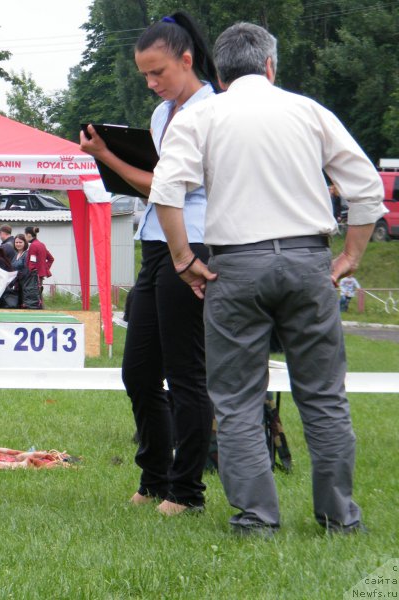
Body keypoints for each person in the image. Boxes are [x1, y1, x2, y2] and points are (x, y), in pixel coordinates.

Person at [149, 22, 384, 535]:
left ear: (219, 73)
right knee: (323, 396)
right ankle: (340, 519)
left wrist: (184, 259)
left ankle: (256, 518)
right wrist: (350, 255)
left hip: (235, 266)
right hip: (308, 261)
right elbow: (367, 187)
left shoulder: (201, 115)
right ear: (270, 66)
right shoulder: (309, 111)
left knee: (236, 400)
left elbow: (166, 191)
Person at [79, 11, 218, 516]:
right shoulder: (162, 116)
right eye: (144, 75)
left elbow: (166, 185)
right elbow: (157, 186)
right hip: (156, 245)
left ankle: (188, 491)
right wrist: (112, 157)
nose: (151, 82)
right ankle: (155, 478)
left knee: (186, 374)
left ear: (187, 59)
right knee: (138, 373)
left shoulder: (213, 112)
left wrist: (107, 157)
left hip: (195, 245)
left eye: (158, 71)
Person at [24, 226, 54, 306]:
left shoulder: (33, 245)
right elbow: (51, 259)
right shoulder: (41, 244)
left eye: (25, 235)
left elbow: (32, 261)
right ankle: (41, 309)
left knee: (35, 296)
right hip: (39, 275)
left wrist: (32, 270)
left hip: (34, 276)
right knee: (39, 295)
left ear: (29, 235)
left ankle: (39, 309)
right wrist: (44, 269)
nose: (24, 237)